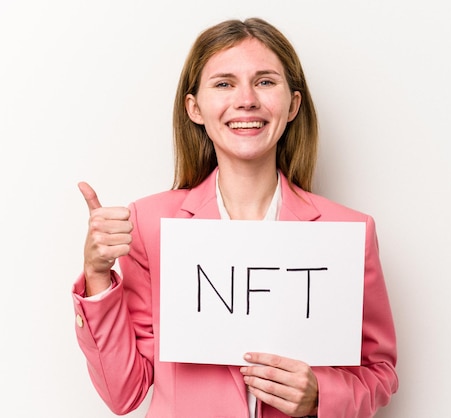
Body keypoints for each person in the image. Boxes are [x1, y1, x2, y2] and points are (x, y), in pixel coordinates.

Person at [72, 17, 398, 418]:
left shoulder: (349, 232)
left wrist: (321, 394)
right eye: (224, 83)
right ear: (195, 108)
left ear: (293, 104)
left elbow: (380, 373)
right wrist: (98, 276)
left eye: (265, 81)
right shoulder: (152, 226)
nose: (246, 100)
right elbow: (125, 392)